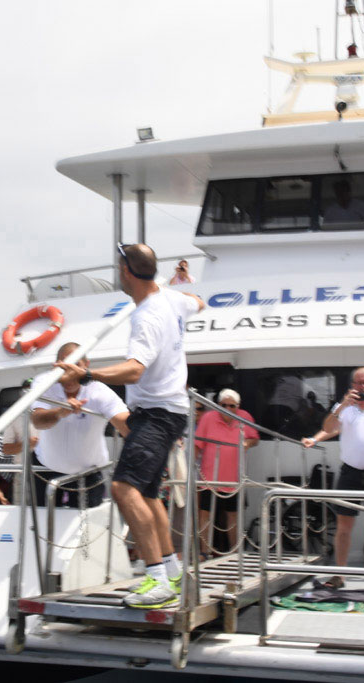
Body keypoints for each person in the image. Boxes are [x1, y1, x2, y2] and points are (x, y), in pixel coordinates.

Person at [56, 243, 204, 610]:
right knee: (148, 494)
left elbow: (135, 369)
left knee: (124, 488)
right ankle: (171, 570)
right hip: (164, 411)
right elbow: (197, 302)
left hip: (157, 413)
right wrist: (185, 286)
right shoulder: (172, 299)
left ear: (125, 271)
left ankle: (156, 579)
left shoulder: (147, 316)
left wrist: (87, 374)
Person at [302, 367, 364, 571]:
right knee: (343, 527)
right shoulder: (344, 407)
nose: (362, 387)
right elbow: (328, 428)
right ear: (352, 386)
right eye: (358, 383)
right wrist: (341, 407)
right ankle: (340, 573)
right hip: (351, 472)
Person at [32, 342, 129, 508]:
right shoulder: (44, 382)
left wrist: (150, 437)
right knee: (42, 526)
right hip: (46, 469)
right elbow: (38, 421)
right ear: (56, 366)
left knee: (88, 531)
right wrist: (59, 412)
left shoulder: (99, 392)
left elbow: (124, 423)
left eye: (76, 366)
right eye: (64, 366)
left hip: (88, 474)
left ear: (87, 366)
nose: (70, 373)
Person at [194, 389, 259, 556]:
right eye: (223, 405)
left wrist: (248, 443)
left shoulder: (245, 417)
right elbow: (197, 445)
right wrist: (190, 469)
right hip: (209, 479)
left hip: (234, 478)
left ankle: (235, 552)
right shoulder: (208, 418)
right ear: (218, 405)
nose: (227, 409)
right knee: (205, 515)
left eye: (232, 406)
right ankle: (205, 552)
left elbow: (255, 438)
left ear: (238, 406)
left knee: (233, 516)